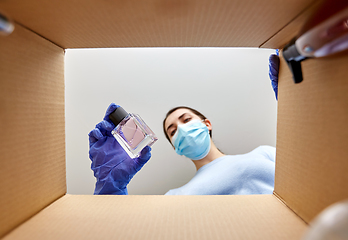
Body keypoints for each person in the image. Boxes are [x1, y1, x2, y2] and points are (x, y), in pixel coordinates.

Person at [88, 53, 280, 195]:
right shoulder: (176, 196)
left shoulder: (264, 153)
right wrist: (110, 188)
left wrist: (296, 103)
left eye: (186, 119)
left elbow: (306, 167)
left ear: (207, 124)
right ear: (176, 148)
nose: (181, 129)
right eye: (172, 132)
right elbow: (122, 228)